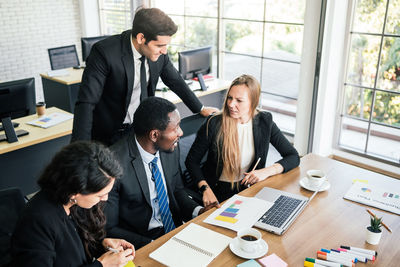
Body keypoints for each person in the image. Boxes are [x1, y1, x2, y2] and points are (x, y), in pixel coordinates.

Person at [72, 7, 218, 145]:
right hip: (109, 132)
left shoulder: (158, 54)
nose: (164, 51)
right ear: (141, 38)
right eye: (160, 46)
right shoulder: (104, 52)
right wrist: (79, 150)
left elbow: (175, 81)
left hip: (141, 129)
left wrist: (200, 108)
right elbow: (86, 102)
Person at [106, 97, 217, 249]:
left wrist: (198, 211)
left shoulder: (170, 146)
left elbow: (177, 190)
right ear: (154, 135)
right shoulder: (112, 164)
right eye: (176, 127)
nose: (181, 132)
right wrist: (154, 245)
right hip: (140, 241)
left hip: (174, 230)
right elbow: (110, 228)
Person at [11, 141, 135, 267]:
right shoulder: (37, 221)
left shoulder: (77, 204)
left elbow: (77, 250)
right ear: (74, 192)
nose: (105, 198)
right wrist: (102, 265)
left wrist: (102, 245)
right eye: (100, 195)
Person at [185, 74, 300, 205]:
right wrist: (205, 188)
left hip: (249, 189)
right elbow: (191, 161)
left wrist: (267, 171)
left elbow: (293, 156)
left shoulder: (264, 121)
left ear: (253, 102)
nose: (231, 104)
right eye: (229, 98)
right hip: (217, 191)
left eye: (239, 100)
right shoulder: (214, 123)